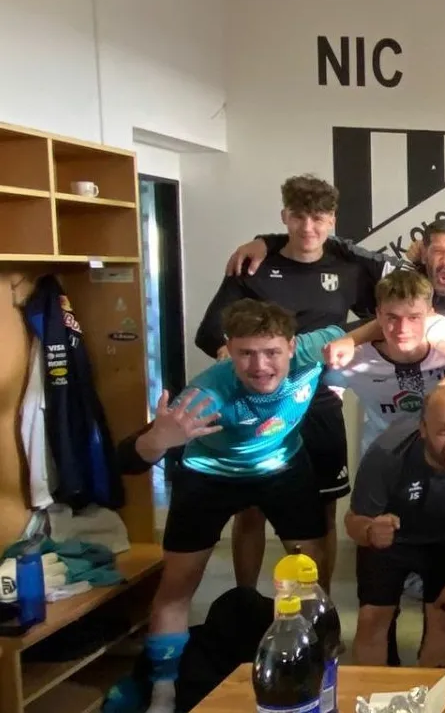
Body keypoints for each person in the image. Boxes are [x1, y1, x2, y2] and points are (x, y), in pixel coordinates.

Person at [117, 300, 342, 713]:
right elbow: (127, 459)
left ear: (293, 347)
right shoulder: (206, 393)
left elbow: (369, 327)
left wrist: (355, 342)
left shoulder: (315, 350)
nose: (260, 366)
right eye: (246, 353)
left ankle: (318, 673)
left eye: (271, 352)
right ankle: (163, 693)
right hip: (210, 475)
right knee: (177, 584)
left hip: (282, 467)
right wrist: (157, 441)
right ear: (228, 350)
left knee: (312, 577)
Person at [197, 175, 395, 594]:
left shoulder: (348, 268)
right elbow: (210, 331)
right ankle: (247, 601)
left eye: (319, 218)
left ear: (332, 220)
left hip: (318, 402)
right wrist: (227, 353)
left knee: (323, 509)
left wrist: (350, 343)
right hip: (258, 404)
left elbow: (387, 311)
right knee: (250, 509)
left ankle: (319, 608)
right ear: (284, 216)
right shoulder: (255, 266)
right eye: (299, 217)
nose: (308, 228)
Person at [345, 386, 445, 667]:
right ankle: (371, 691)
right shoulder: (386, 454)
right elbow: (352, 521)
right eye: (444, 431)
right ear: (423, 429)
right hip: (390, 539)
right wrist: (369, 530)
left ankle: (430, 692)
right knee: (372, 619)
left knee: (444, 619)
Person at [227, 221, 445, 331]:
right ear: (423, 253)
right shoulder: (394, 272)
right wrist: (268, 242)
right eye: (438, 252)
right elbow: (338, 245)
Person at [330, 270, 445, 449]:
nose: (403, 329)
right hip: (384, 452)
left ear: (430, 315)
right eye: (393, 317)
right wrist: (349, 340)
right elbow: (313, 372)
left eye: (414, 317)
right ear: (378, 315)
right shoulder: (349, 358)